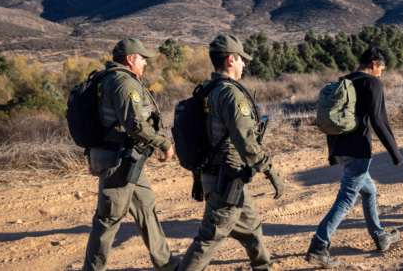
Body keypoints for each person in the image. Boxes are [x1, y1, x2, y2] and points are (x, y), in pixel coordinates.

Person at [179, 34, 285, 271]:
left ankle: (263, 266)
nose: (244, 64)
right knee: (210, 237)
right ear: (230, 59)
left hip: (221, 176)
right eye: (241, 59)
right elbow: (247, 142)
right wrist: (271, 171)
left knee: (251, 225)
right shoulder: (230, 94)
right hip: (224, 179)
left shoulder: (207, 90)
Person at [83, 38, 178, 271]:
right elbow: (134, 125)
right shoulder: (124, 83)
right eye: (142, 58)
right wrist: (164, 143)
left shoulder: (105, 80)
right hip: (116, 160)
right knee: (108, 219)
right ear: (130, 59)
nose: (145, 62)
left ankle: (167, 264)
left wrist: (92, 156)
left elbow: (98, 122)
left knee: (145, 206)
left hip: (125, 159)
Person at [306, 46, 403, 268]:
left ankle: (380, 236)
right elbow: (379, 120)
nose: (381, 75)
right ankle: (318, 246)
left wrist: (333, 153)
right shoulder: (372, 83)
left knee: (369, 191)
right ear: (375, 64)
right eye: (382, 70)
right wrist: (395, 153)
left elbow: (333, 118)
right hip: (358, 150)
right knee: (347, 198)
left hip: (341, 149)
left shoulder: (345, 81)